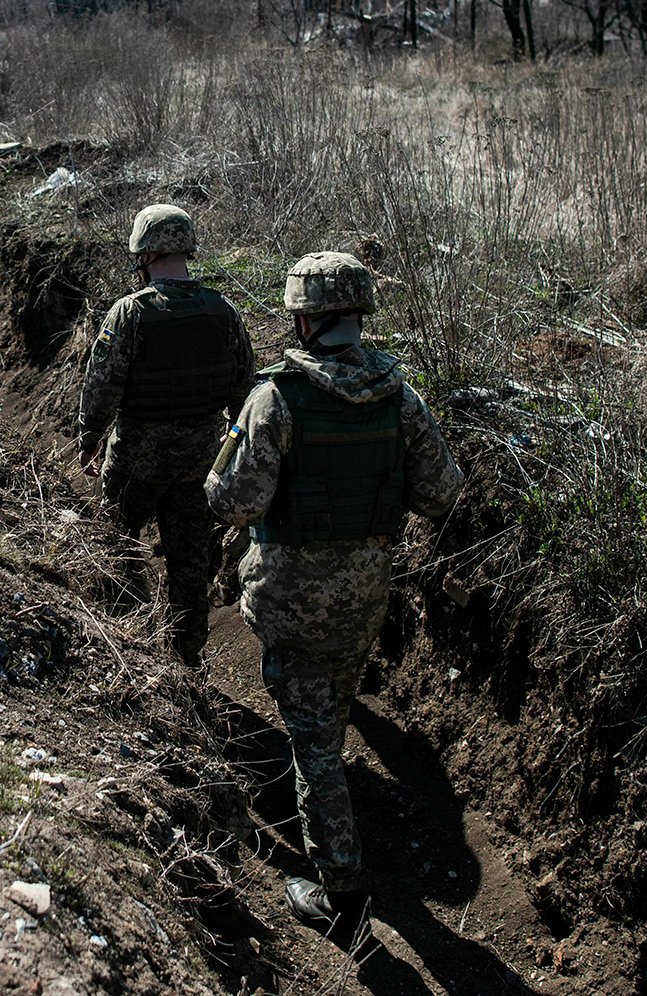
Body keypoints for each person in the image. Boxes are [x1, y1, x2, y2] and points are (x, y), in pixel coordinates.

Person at [205, 250, 462, 933]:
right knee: (328, 711)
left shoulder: (276, 398)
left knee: (314, 744)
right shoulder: (400, 396)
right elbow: (442, 493)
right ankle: (342, 828)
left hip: (289, 601)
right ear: (357, 314)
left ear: (303, 319)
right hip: (366, 596)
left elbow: (232, 502)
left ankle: (342, 894)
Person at [77, 204, 254, 669]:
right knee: (190, 563)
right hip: (201, 464)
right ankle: (187, 654)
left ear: (144, 252)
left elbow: (102, 386)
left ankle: (122, 639)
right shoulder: (225, 312)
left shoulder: (130, 314)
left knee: (114, 542)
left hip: (136, 460)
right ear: (187, 248)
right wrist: (231, 449)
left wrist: (89, 437)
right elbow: (245, 395)